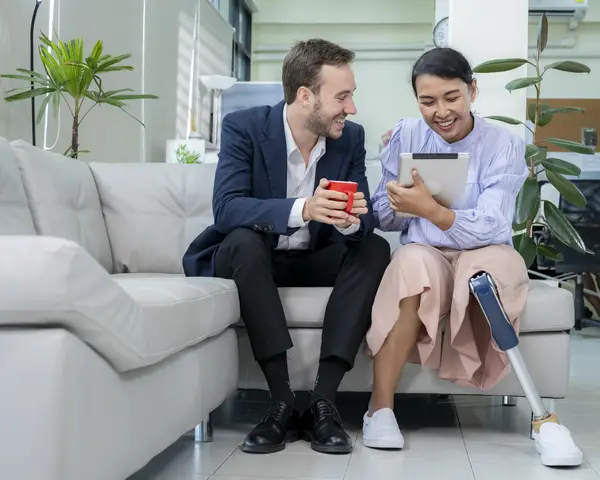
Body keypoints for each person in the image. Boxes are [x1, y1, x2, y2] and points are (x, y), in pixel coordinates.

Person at [361, 47, 583, 467]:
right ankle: (379, 410)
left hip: (486, 248)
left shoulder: (504, 144)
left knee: (482, 277)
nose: (440, 111)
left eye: (451, 97)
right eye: (428, 101)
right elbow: (385, 219)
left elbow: (490, 221)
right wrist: (395, 201)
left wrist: (432, 210)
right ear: (416, 101)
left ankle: (543, 418)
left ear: (472, 91)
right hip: (425, 249)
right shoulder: (405, 134)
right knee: (410, 266)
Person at [182, 38, 390, 455]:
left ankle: (323, 403)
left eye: (352, 97)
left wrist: (352, 223)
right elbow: (227, 208)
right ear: (304, 95)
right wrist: (305, 209)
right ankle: (281, 401)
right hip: (250, 257)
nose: (351, 109)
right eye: (342, 97)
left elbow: (365, 219)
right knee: (243, 240)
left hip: (313, 257)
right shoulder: (245, 126)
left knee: (375, 248)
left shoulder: (350, 139)